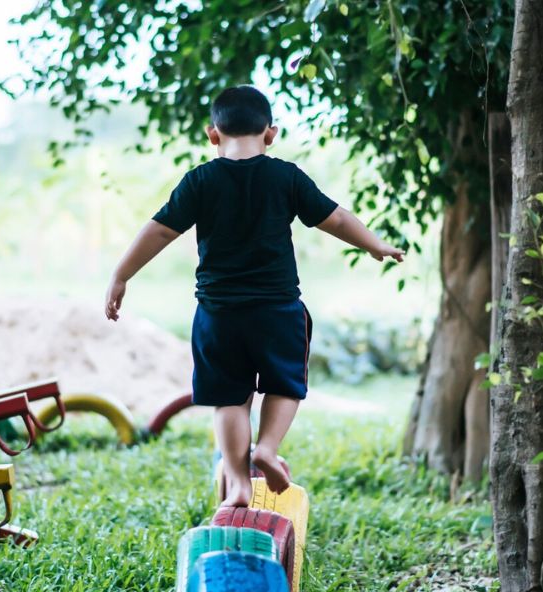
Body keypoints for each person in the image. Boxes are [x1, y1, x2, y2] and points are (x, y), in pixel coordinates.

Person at [104, 85, 403, 507]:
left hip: (218, 314)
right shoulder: (286, 176)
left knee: (228, 398)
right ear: (271, 133)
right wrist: (374, 244)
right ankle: (268, 447)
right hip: (277, 310)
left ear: (213, 135)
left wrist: (121, 275)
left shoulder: (200, 181)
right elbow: (334, 218)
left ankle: (239, 482)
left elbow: (160, 230)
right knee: (285, 384)